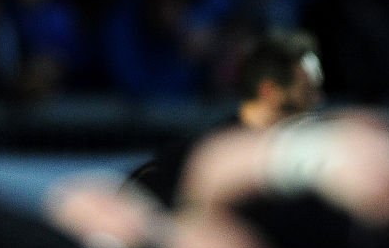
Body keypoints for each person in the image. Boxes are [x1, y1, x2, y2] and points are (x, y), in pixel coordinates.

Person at [126, 28, 325, 209]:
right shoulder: (197, 156)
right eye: (307, 92)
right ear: (269, 92)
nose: (318, 100)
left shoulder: (309, 165)